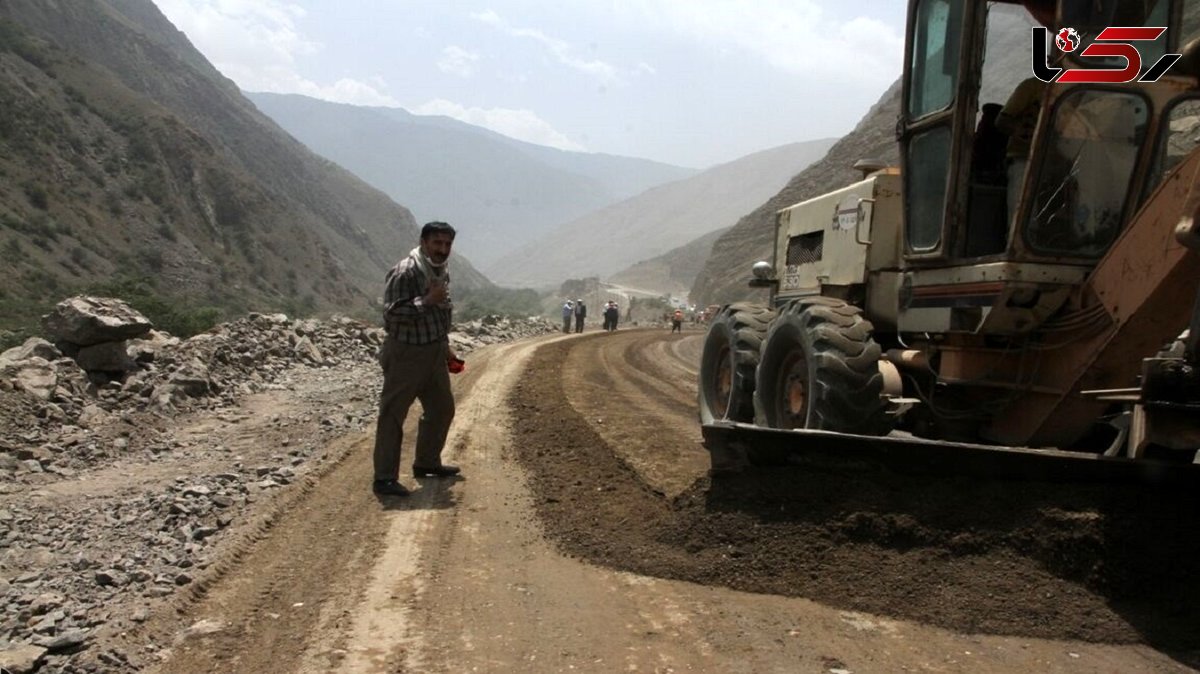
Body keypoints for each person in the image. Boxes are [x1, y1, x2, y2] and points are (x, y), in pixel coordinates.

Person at [372, 221, 462, 496]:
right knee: (393, 415)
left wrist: (445, 349)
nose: (442, 249)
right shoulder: (406, 271)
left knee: (442, 409)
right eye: (437, 243)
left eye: (447, 244)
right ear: (424, 242)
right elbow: (391, 315)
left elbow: (440, 313)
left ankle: (426, 463)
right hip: (406, 353)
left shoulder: (439, 271)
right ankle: (385, 478)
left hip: (433, 352)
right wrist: (426, 301)